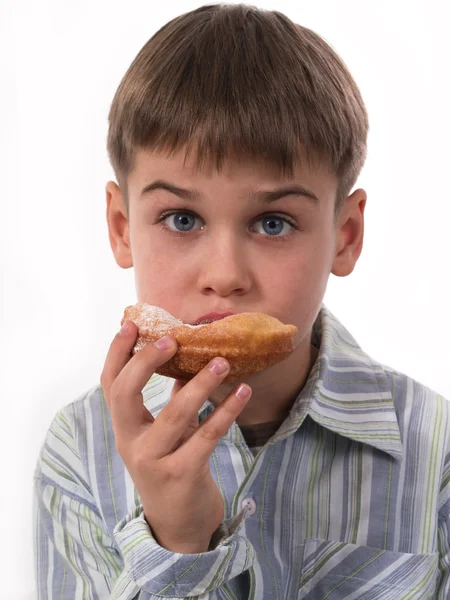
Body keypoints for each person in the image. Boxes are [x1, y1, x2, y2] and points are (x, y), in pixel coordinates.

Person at [33, 3, 450, 598]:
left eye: (273, 223)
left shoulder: (434, 448)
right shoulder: (80, 451)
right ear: (123, 228)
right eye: (181, 218)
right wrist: (176, 543)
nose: (224, 276)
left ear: (346, 236)